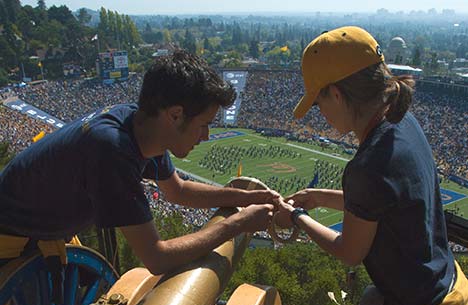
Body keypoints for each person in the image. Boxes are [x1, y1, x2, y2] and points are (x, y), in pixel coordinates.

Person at [276, 26, 468, 305]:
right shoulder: (403, 125)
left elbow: (349, 250)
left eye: (319, 101)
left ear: (338, 94)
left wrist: (299, 218)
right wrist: (322, 198)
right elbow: (390, 202)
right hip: (446, 293)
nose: (319, 113)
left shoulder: (368, 163)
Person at [0, 50, 277, 277]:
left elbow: (178, 190)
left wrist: (246, 197)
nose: (205, 136)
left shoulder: (140, 125)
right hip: (14, 248)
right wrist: (237, 224)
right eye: (204, 125)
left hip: (42, 236)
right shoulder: (111, 148)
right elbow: (156, 258)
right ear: (176, 115)